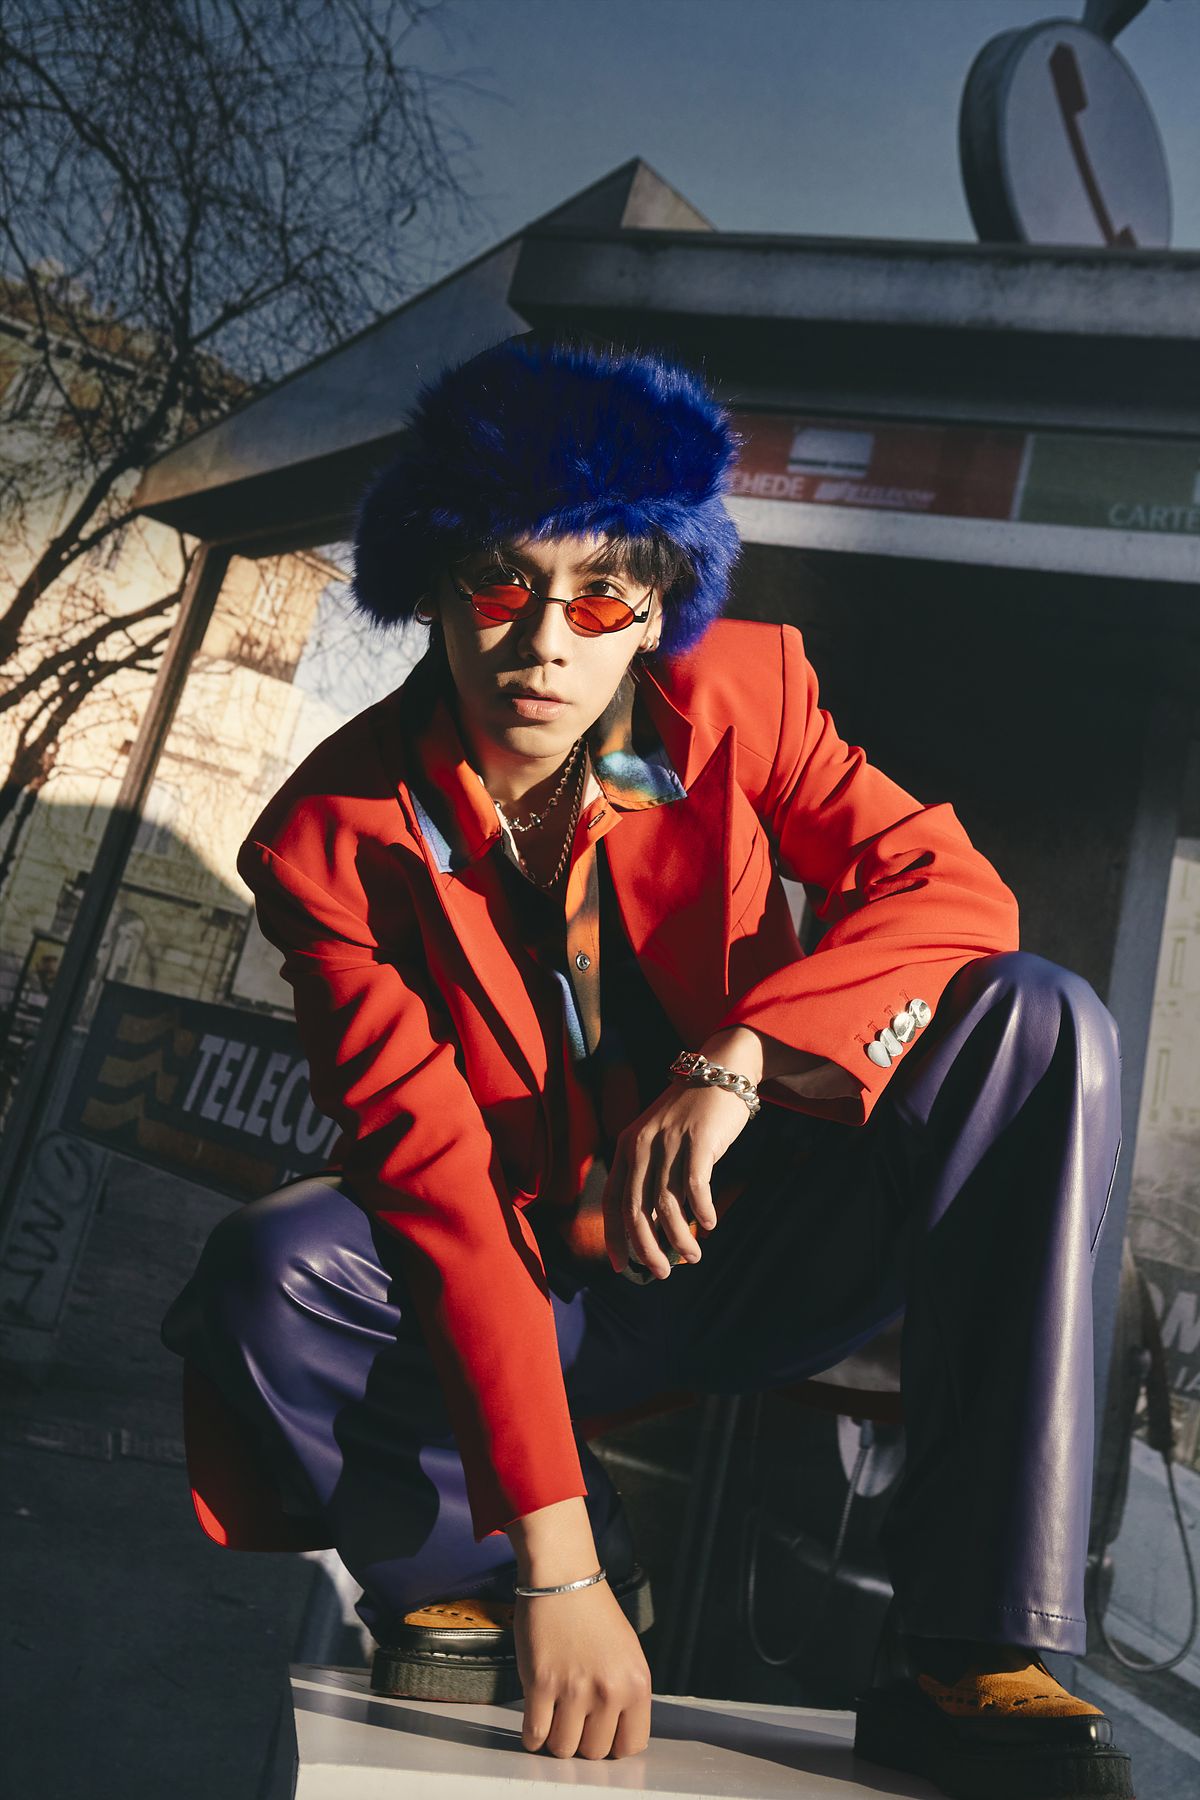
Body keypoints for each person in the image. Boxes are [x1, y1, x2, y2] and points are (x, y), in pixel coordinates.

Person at [162, 332, 1133, 1798]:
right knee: (275, 1273)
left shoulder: (739, 698)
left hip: (775, 1227)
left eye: (602, 592)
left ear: (656, 611)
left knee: (1041, 1019)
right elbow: (436, 1195)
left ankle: (970, 1643)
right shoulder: (331, 847)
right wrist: (557, 1567)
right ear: (432, 587)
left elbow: (952, 892)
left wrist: (742, 1056)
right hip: (549, 1273)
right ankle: (477, 1569)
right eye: (500, 583)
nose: (545, 641)